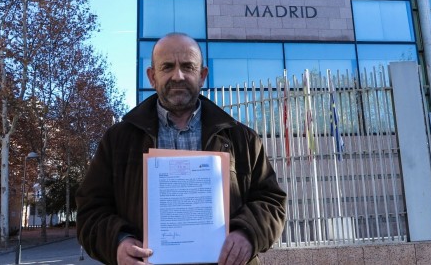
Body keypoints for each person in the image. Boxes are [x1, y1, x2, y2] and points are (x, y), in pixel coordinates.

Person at [76, 33, 287, 265]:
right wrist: (118, 242)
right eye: (167, 67)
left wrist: (248, 233)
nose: (178, 76)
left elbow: (272, 201)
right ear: (152, 77)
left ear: (202, 75)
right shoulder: (118, 140)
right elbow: (90, 211)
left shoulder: (241, 138)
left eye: (188, 66)